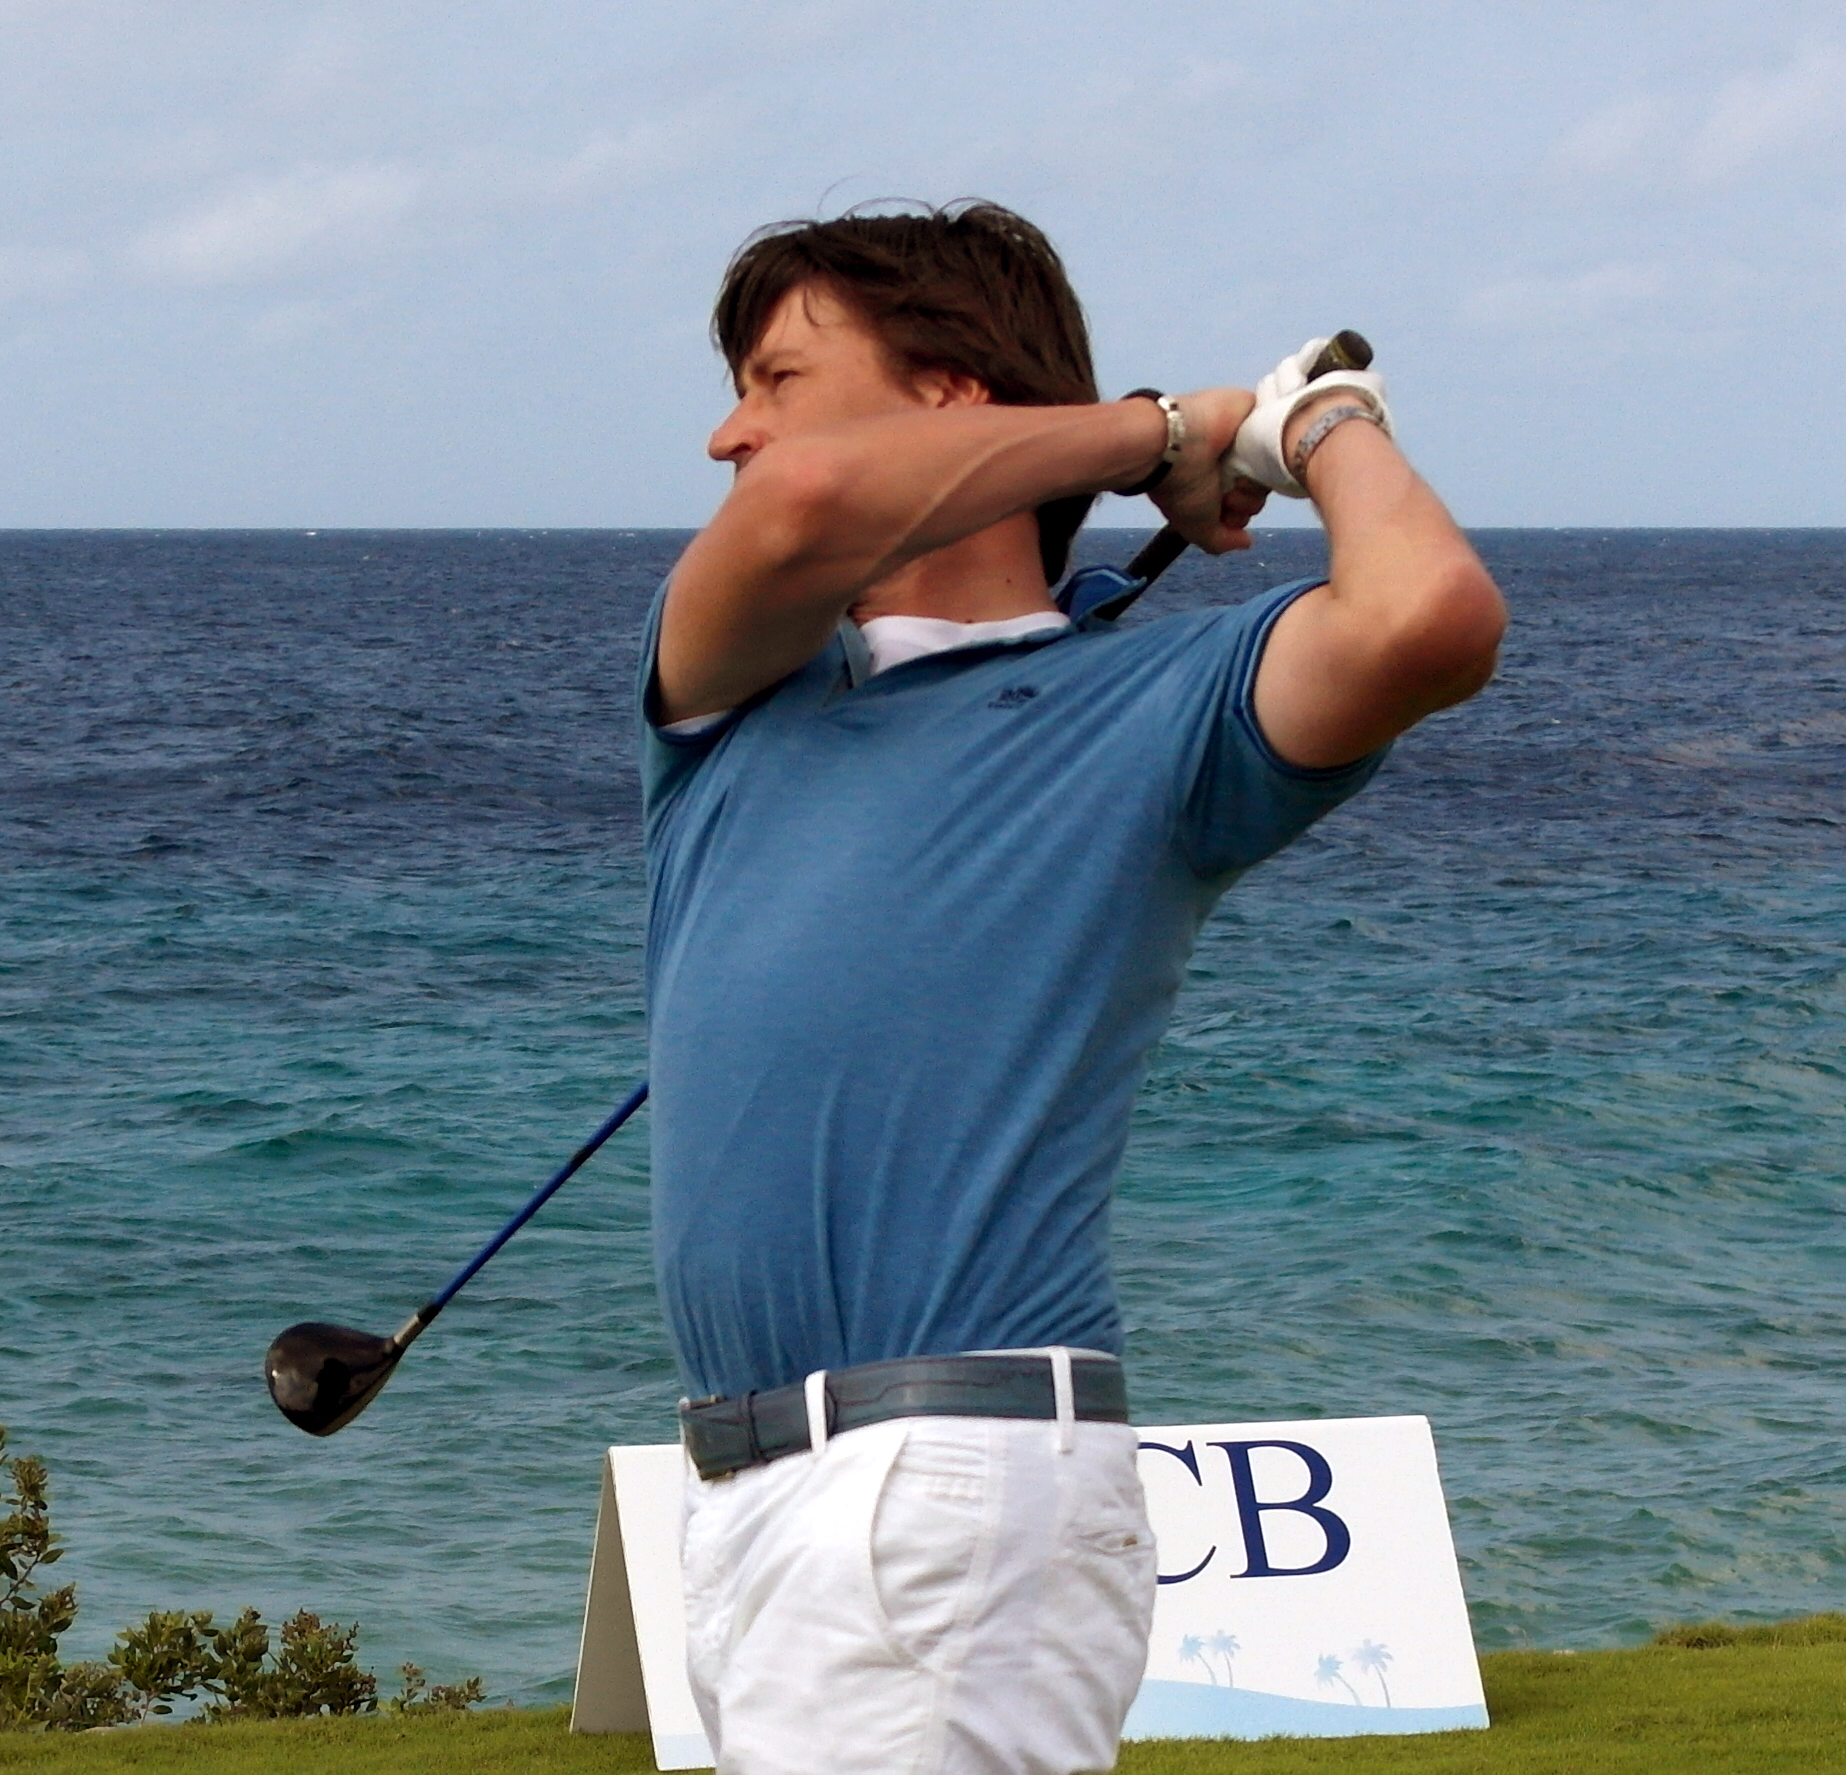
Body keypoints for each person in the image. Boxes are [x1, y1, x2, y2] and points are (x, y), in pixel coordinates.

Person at [641, 202, 1504, 1775]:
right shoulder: (726, 692)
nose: (728, 433)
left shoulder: (1169, 708)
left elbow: (1426, 615)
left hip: (946, 1479)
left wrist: (1306, 425)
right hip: (751, 1497)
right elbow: (810, 508)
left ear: (957, 392)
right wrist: (1165, 431)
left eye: (773, 377)